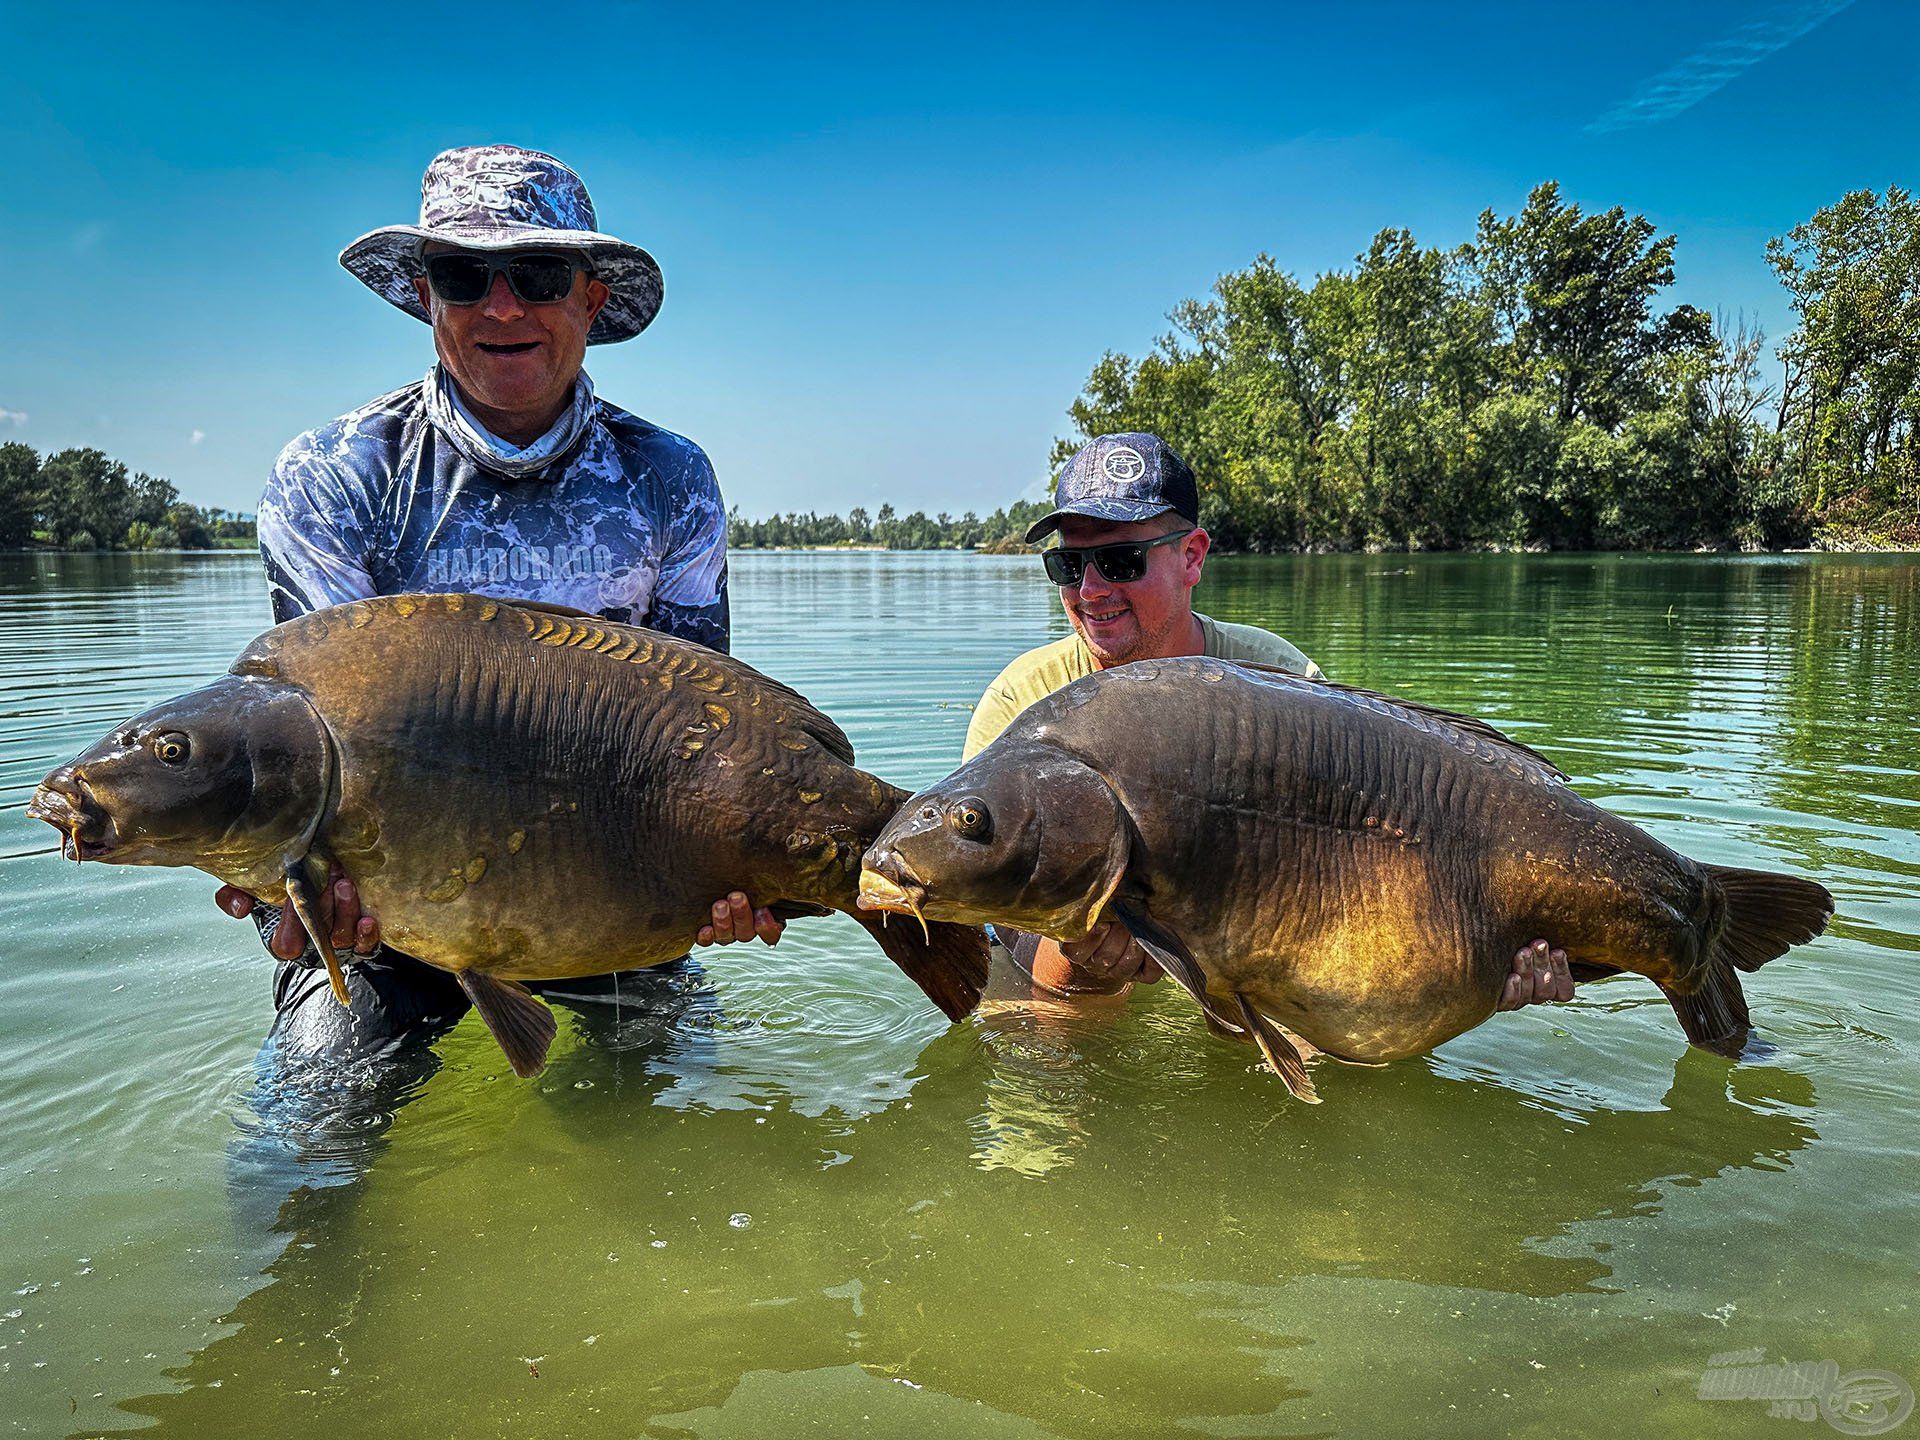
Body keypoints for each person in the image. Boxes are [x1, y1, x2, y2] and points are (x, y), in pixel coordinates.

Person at [220, 144, 778, 1066]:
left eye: (540, 272)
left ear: (591, 299)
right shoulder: (333, 476)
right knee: (304, 1148)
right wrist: (297, 901)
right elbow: (303, 752)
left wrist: (726, 880)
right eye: (464, 276)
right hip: (390, 926)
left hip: (612, 900)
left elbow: (706, 734)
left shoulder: (668, 477)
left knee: (690, 1135)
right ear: (425, 298)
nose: (503, 305)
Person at [966, 432, 1575, 1012]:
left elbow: (1363, 901)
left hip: (1266, 976)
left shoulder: (1282, 683)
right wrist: (1083, 969)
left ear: (1192, 556)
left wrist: (1471, 959)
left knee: (1318, 1052)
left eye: (1120, 561)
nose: (1091, 589)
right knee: (1043, 1046)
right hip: (1089, 997)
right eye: (1069, 566)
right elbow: (1012, 952)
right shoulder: (1021, 705)